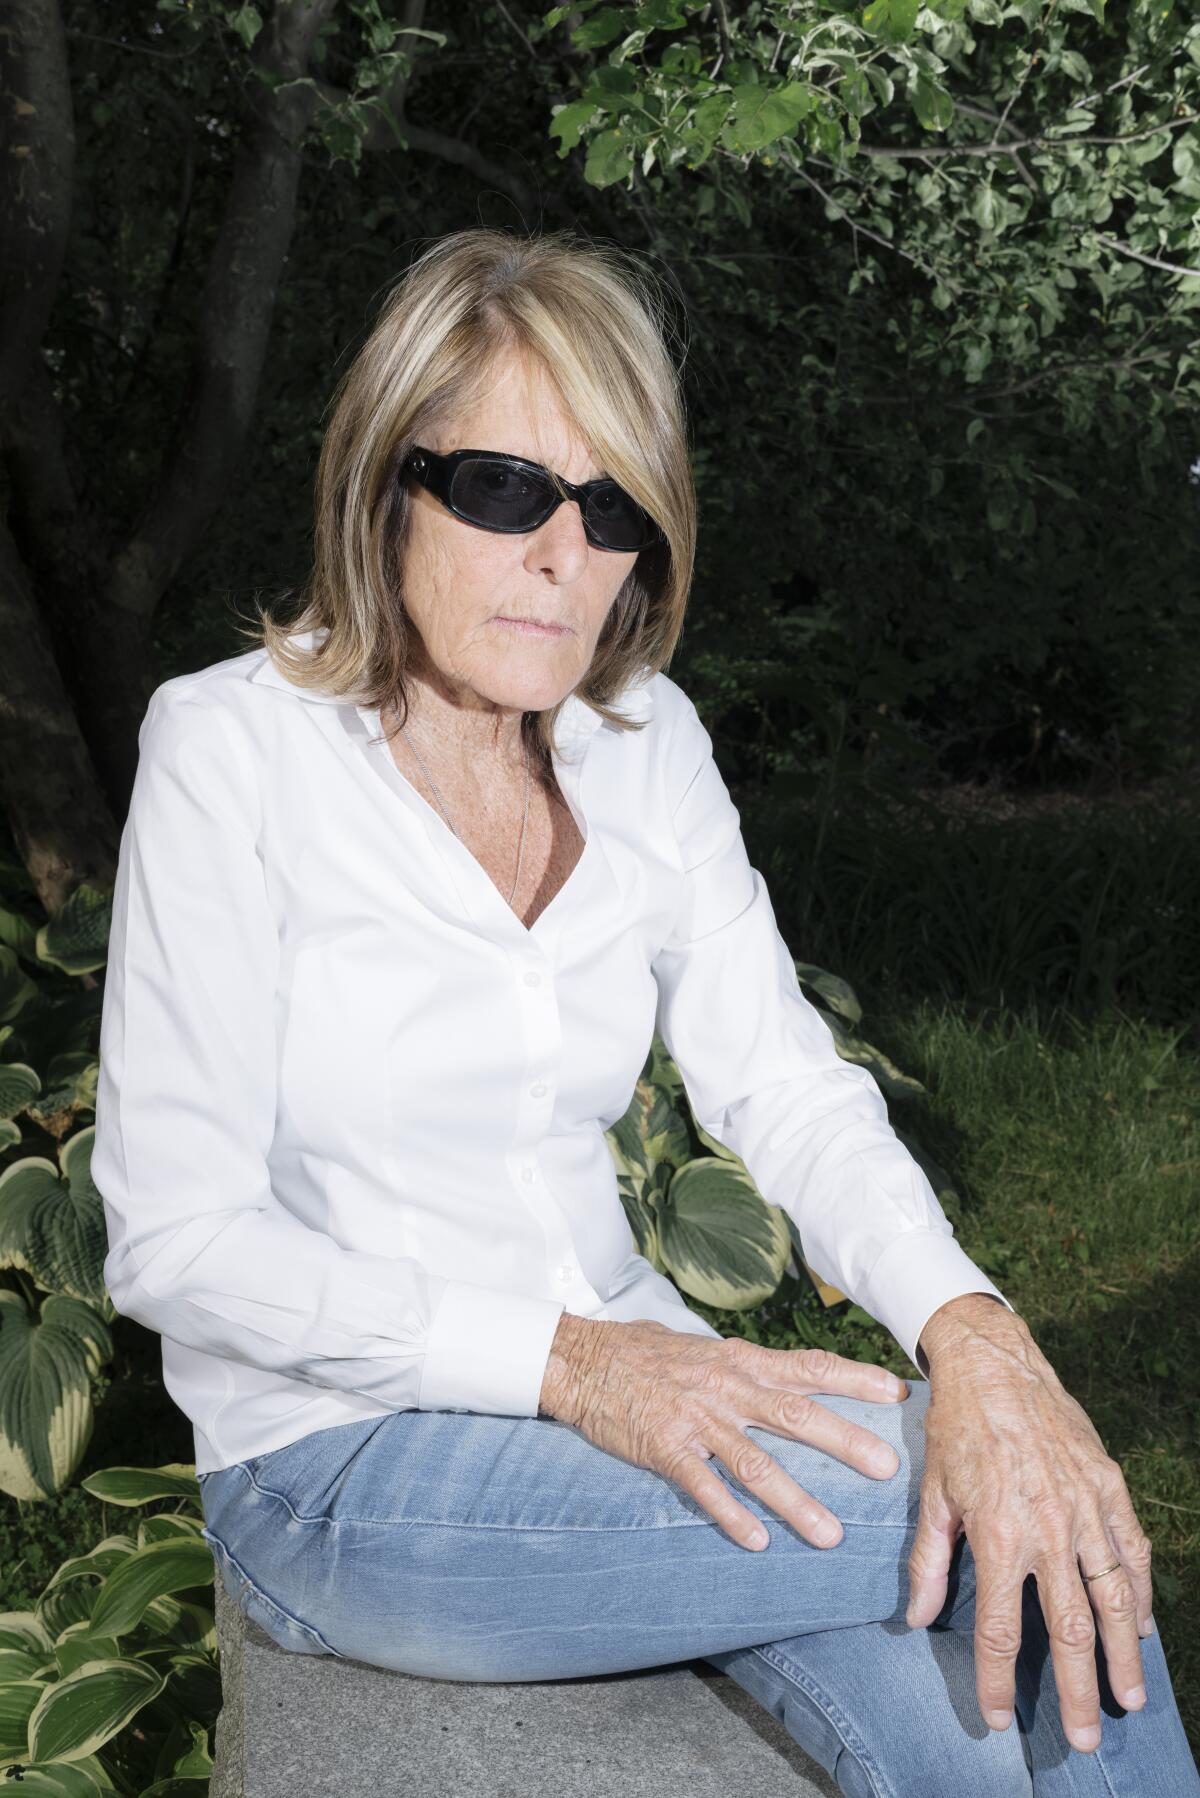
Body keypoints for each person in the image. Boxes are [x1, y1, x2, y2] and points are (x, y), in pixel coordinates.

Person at [92, 227, 1199, 1795]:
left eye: (609, 507)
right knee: (991, 1518)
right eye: (501, 490)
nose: (563, 553)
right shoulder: (230, 754)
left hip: (635, 1387)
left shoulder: (641, 739)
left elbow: (786, 1084)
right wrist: (576, 1365)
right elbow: (177, 1242)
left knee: (1013, 1634)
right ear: (383, 480)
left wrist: (976, 1330)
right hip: (343, 1456)